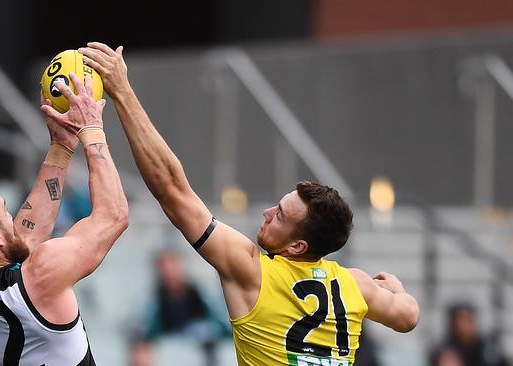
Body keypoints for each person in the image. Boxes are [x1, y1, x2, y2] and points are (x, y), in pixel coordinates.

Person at [79, 42, 420, 365]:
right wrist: (398, 290)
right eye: (277, 205)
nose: (267, 213)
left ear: (298, 245)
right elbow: (408, 317)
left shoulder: (251, 270)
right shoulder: (356, 284)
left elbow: (171, 189)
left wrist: (121, 91)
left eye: (280, 216)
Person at [0, 74, 128, 365]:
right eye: (5, 212)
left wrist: (61, 147)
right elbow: (113, 216)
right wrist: (92, 130)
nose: (14, 218)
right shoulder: (41, 276)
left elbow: (22, 240)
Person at [430, 302, 511, 366]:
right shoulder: (444, 352)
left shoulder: (487, 348)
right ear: (452, 324)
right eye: (461, 320)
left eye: (468, 320)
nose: (465, 326)